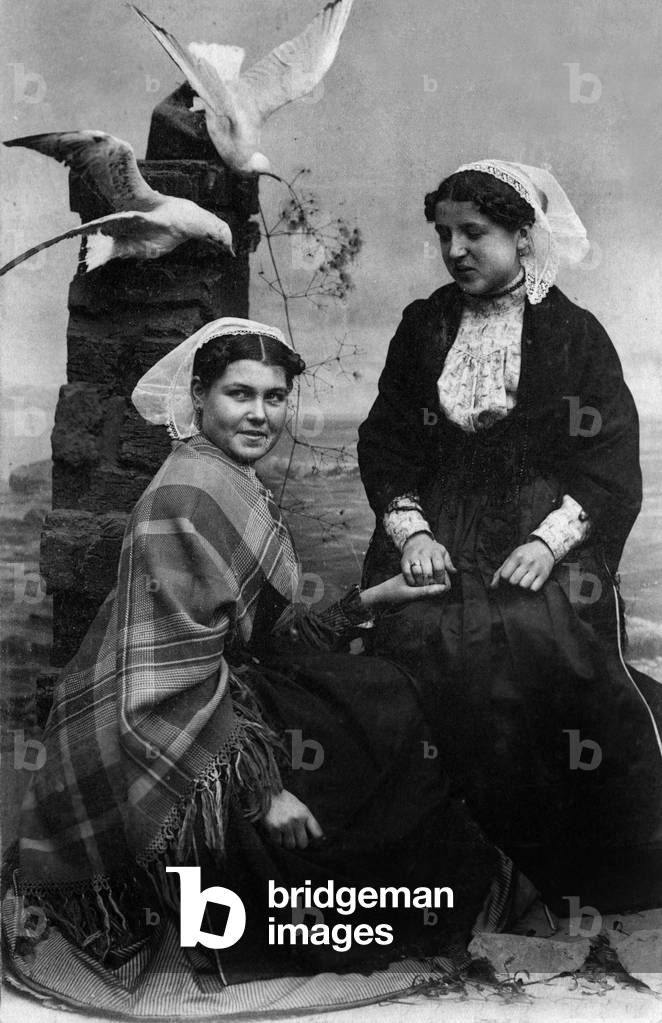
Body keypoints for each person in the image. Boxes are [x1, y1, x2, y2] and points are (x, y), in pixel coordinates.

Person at [3, 317, 528, 1016]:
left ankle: (407, 890)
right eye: (239, 394)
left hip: (216, 687)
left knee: (385, 692)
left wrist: (377, 597)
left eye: (275, 397)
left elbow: (270, 637)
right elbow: (166, 683)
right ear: (199, 395)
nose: (259, 414)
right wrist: (264, 790)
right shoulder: (183, 496)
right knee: (367, 741)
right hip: (154, 729)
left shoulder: (228, 476)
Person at [358, 161, 662, 916]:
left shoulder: (574, 333)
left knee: (542, 640)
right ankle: (460, 864)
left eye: (475, 232)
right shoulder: (423, 325)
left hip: (542, 529)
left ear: (524, 237)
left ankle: (565, 868)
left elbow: (609, 459)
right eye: (444, 235)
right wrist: (412, 533)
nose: (455, 250)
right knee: (421, 638)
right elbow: (388, 439)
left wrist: (550, 542)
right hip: (441, 525)